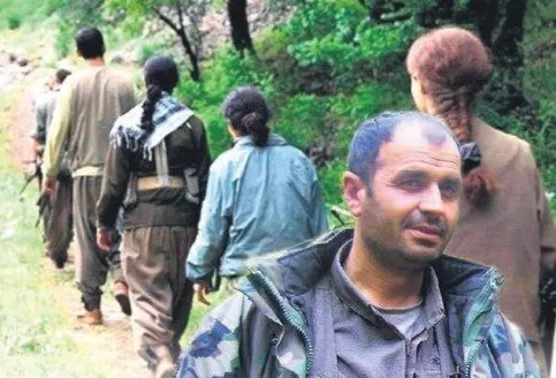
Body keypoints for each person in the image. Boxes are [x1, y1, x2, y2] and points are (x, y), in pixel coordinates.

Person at [177, 111, 541, 377]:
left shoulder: (491, 338)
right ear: (355, 193)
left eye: (449, 189)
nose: (435, 206)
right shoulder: (260, 323)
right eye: (411, 182)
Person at [406, 26, 556, 370]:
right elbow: (549, 254)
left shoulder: (404, 164)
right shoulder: (519, 153)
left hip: (438, 351)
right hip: (521, 352)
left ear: (423, 85)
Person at [96, 55, 211, 378]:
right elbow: (205, 181)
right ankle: (170, 356)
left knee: (147, 297)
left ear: (145, 82)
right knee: (177, 295)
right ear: (176, 82)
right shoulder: (193, 124)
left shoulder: (126, 127)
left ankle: (161, 357)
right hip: (186, 225)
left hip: (141, 228)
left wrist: (104, 223)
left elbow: (114, 185)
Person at [185, 86, 327, 305]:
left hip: (244, 283)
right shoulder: (299, 161)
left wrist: (200, 273)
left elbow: (212, 231)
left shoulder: (225, 166)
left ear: (230, 127)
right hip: (298, 280)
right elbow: (319, 228)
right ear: (267, 120)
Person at [42, 27, 136, 324]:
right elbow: (137, 129)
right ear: (104, 47)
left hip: (85, 174)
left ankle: (92, 308)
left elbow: (58, 132)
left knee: (87, 238)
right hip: (120, 173)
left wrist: (50, 172)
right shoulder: (124, 83)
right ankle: (122, 279)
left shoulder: (72, 84)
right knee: (119, 230)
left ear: (79, 52)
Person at [32, 69, 73, 269]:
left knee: (52, 207)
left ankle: (56, 250)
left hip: (52, 163)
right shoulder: (78, 99)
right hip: (79, 162)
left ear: (56, 80)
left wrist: (37, 163)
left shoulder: (44, 101)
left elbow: (38, 138)